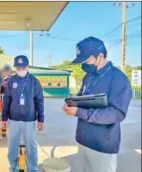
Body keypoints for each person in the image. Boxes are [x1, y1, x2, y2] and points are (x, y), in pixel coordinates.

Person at [62, 36, 132, 172]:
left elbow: (117, 113)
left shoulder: (118, 78)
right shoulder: (88, 77)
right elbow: (82, 98)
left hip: (103, 145)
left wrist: (79, 112)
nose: (84, 65)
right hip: (83, 140)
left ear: (100, 56)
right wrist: (73, 103)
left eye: (87, 60)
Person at [2, 55, 45, 172]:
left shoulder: (34, 82)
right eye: (18, 68)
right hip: (13, 119)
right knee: (12, 145)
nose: (20, 70)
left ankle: (33, 168)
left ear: (27, 66)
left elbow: (39, 100)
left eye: (22, 67)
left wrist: (41, 119)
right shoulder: (11, 81)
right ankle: (14, 167)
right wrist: (4, 118)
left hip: (29, 119)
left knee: (31, 145)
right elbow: (6, 100)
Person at [0, 64, 13, 140]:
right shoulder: (15, 79)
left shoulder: (3, 80)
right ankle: (11, 134)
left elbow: (0, 91)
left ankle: (4, 135)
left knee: (4, 118)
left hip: (5, 101)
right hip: (12, 102)